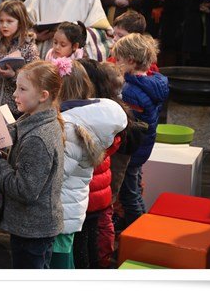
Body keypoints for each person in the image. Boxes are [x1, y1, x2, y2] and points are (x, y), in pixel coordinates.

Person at [0, 60, 65, 269]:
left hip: (32, 230)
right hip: (34, 227)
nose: (14, 95)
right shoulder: (39, 120)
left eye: (22, 89)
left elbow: (25, 190)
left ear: (43, 95)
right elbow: (20, 131)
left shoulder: (38, 138)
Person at [48, 58, 127, 269]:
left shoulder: (69, 127)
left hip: (64, 208)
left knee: (63, 262)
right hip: (82, 200)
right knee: (79, 251)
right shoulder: (93, 118)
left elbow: (55, 174)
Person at [77, 59, 145, 268]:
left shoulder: (97, 115)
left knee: (96, 228)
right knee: (103, 222)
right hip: (104, 186)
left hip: (97, 187)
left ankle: (102, 261)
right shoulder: (112, 110)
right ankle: (103, 260)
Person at [0, 0, 40, 218]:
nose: (4, 25)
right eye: (1, 21)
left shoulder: (29, 47)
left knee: (13, 156)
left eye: (10, 21)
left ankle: (8, 199)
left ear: (20, 22)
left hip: (16, 109)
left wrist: (14, 76)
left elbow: (35, 79)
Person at [111, 34, 169, 229]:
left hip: (131, 151)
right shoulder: (154, 82)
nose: (115, 63)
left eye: (118, 59)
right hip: (142, 147)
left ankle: (140, 232)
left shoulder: (130, 91)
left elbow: (125, 123)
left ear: (130, 61)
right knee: (133, 188)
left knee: (129, 195)